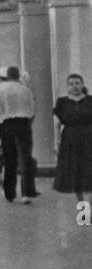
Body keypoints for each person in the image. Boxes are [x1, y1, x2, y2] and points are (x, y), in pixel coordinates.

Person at [0, 65, 39, 204]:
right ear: (18, 76)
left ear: (7, 75)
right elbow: (32, 110)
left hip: (7, 125)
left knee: (9, 159)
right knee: (26, 158)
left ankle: (10, 193)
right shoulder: (26, 90)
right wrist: (27, 124)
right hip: (23, 124)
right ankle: (27, 193)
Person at [53, 73, 92, 202]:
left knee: (89, 169)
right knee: (75, 171)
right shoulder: (62, 102)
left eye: (77, 83)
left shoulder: (90, 100)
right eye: (71, 84)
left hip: (88, 138)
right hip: (69, 139)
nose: (75, 86)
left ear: (82, 84)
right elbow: (57, 124)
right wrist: (56, 143)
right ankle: (82, 203)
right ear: (67, 87)